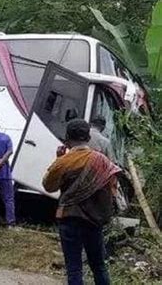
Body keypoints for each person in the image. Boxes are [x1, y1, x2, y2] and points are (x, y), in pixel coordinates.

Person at [43, 119, 121, 285]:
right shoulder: (103, 161)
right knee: (99, 266)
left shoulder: (64, 162)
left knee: (74, 268)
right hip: (94, 220)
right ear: (87, 137)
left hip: (70, 218)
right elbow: (112, 189)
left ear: (67, 138)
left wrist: (58, 160)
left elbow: (48, 186)